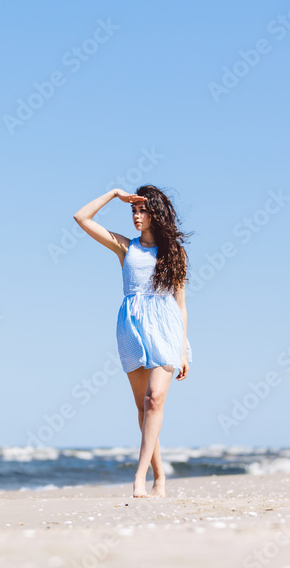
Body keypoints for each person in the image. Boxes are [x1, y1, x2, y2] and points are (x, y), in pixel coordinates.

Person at [73, 185, 193, 498]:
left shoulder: (174, 254)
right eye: (134, 211)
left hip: (166, 327)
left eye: (142, 211)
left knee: (155, 399)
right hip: (132, 326)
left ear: (156, 214)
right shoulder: (127, 248)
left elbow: (180, 305)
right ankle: (160, 474)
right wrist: (114, 194)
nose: (136, 216)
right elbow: (81, 217)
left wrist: (183, 350)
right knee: (143, 407)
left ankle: (139, 476)